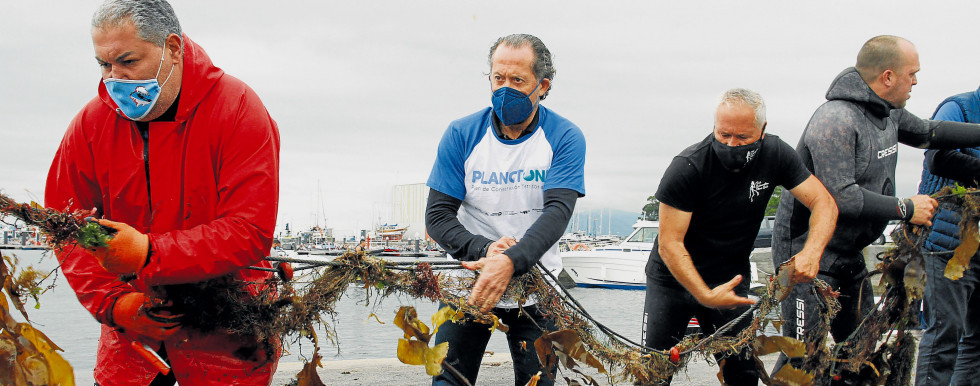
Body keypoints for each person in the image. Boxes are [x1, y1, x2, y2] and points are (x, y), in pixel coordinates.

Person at [44, 0, 280, 384]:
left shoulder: (238, 109)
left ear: (172, 48)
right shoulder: (90, 124)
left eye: (128, 61)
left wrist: (150, 253)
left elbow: (249, 231)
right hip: (131, 345)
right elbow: (65, 229)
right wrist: (115, 304)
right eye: (104, 64)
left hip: (226, 337)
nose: (114, 77)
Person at [771, 35, 980, 384]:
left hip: (848, 253)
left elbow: (931, 132)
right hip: (807, 253)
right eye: (911, 73)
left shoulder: (889, 114)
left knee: (862, 355)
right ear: (887, 76)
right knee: (801, 357)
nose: (915, 80)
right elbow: (842, 196)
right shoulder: (835, 120)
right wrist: (906, 208)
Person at [644, 88, 837, 385]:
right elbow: (671, 244)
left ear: (762, 130)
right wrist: (705, 295)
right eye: (724, 135)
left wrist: (812, 252)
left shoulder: (776, 155)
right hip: (672, 280)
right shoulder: (688, 166)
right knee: (654, 374)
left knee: (743, 375)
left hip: (729, 278)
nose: (732, 144)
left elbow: (823, 202)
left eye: (743, 138)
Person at [425, 34, 586, 386]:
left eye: (517, 80)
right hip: (469, 279)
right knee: (449, 380)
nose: (505, 89)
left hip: (538, 282)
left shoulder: (564, 136)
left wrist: (512, 260)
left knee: (537, 382)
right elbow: (437, 216)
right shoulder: (461, 133)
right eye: (498, 78)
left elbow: (557, 211)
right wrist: (485, 249)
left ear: (542, 85)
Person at [915, 87, 980, 385]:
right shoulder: (959, 107)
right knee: (945, 332)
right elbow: (938, 158)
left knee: (976, 341)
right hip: (948, 244)